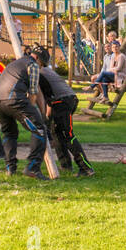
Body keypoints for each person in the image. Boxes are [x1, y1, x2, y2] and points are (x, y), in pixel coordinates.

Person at [0, 47, 51, 179]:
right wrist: (34, 112)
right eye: (42, 65)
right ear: (38, 59)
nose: (41, 68)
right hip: (15, 99)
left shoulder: (14, 64)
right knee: (39, 129)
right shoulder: (32, 65)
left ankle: (10, 168)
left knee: (9, 133)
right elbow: (33, 92)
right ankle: (32, 168)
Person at [33, 48, 94, 176]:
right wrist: (47, 118)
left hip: (63, 101)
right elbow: (49, 97)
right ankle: (65, 165)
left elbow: (48, 97)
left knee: (67, 135)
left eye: (33, 57)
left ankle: (86, 168)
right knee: (56, 133)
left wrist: (46, 116)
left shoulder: (39, 72)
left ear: (39, 60)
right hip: (63, 101)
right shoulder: (45, 71)